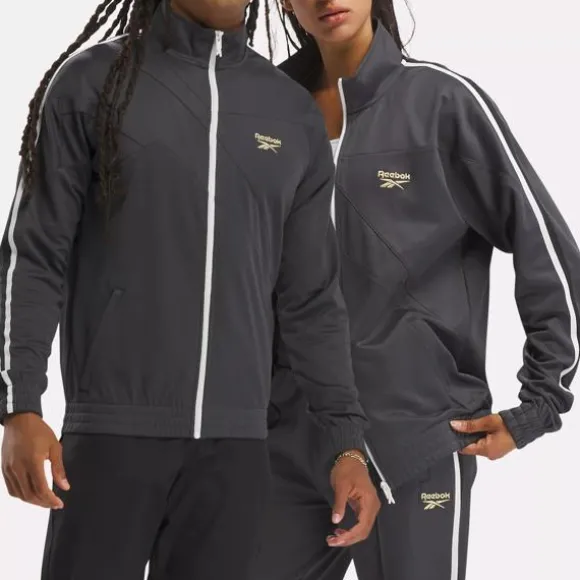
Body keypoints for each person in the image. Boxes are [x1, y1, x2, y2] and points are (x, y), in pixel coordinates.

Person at [0, 1, 381, 578]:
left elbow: (312, 300)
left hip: (237, 450)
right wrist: (19, 405)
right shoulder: (92, 83)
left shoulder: (287, 111)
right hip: (111, 435)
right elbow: (33, 255)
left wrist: (346, 443)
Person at [254, 1, 580, 579]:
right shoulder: (265, 112)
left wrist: (539, 403)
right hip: (288, 439)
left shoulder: (440, 102)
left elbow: (547, 249)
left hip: (414, 440)